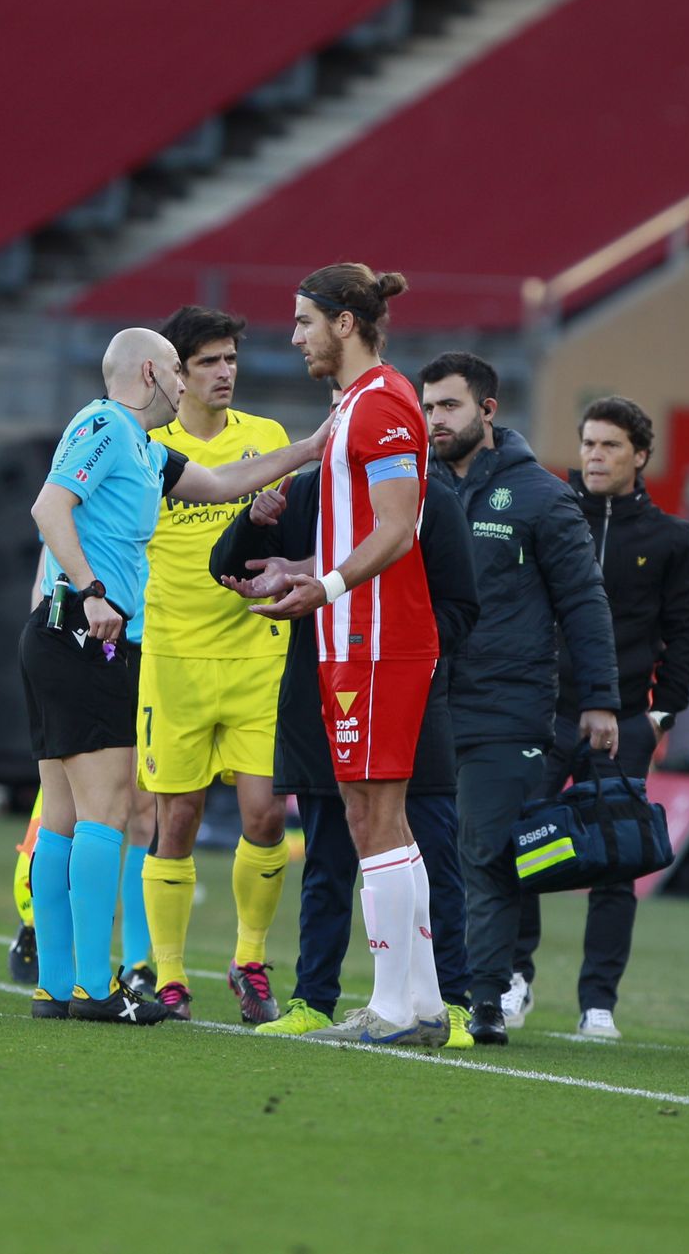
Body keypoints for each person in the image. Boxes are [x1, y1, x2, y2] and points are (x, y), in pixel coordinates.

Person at [18, 325, 326, 1024]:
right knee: (108, 812)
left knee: (65, 818)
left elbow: (221, 482)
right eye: (180, 374)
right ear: (155, 376)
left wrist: (307, 448)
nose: (189, 385)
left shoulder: (146, 449)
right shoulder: (102, 422)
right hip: (83, 631)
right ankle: (96, 989)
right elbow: (48, 506)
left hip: (66, 634)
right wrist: (94, 588)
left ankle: (58, 985)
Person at [213, 380, 480, 1046]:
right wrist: (256, 515)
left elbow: (456, 606)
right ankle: (314, 1000)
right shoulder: (311, 493)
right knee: (330, 858)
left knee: (431, 850)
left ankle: (448, 1001)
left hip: (402, 694)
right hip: (318, 696)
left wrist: (396, 654)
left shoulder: (428, 500)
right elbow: (227, 566)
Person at [421, 351, 619, 1046]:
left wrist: (600, 699)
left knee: (485, 848)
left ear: (487, 409)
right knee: (419, 852)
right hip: (425, 697)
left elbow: (584, 601)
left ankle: (484, 1000)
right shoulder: (412, 486)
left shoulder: (540, 495)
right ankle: (431, 991)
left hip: (508, 705)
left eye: (449, 406)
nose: (435, 419)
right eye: (429, 407)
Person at [506, 395, 689, 1040]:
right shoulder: (550, 512)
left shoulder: (671, 540)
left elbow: (687, 632)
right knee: (518, 845)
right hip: (544, 711)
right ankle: (515, 980)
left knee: (619, 861)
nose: (594, 455)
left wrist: (662, 714)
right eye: (588, 443)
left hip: (624, 719)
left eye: (610, 445)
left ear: (640, 455)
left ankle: (598, 1005)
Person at [131, 305, 294, 1023]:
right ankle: (168, 975)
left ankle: (250, 958)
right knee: (178, 819)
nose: (225, 372)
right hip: (174, 656)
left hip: (258, 651)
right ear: (177, 372)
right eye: (210, 362)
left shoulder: (267, 439)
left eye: (231, 359)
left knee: (266, 815)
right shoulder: (144, 446)